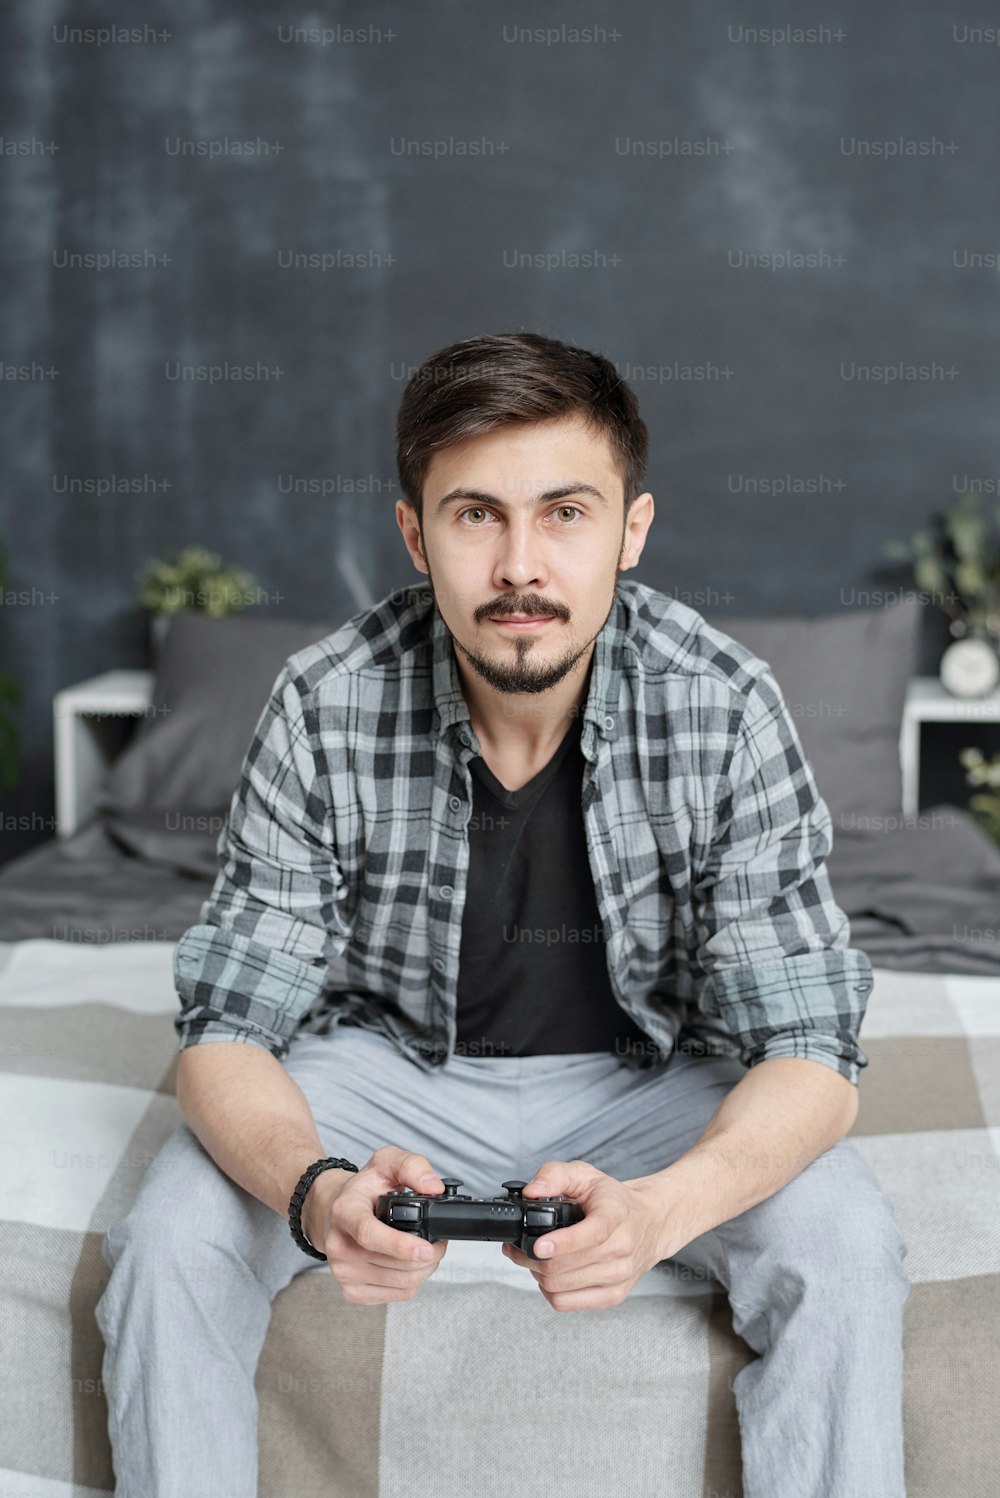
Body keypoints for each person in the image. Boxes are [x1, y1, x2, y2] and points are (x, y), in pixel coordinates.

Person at [95, 331, 909, 1498]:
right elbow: (224, 1031)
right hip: (381, 1075)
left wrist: (662, 1211)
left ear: (630, 529)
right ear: (416, 535)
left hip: (649, 1081)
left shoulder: (725, 704)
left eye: (564, 513)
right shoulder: (323, 700)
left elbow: (814, 1054)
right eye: (475, 515)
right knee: (168, 1240)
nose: (520, 564)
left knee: (844, 1243)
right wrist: (319, 1191)